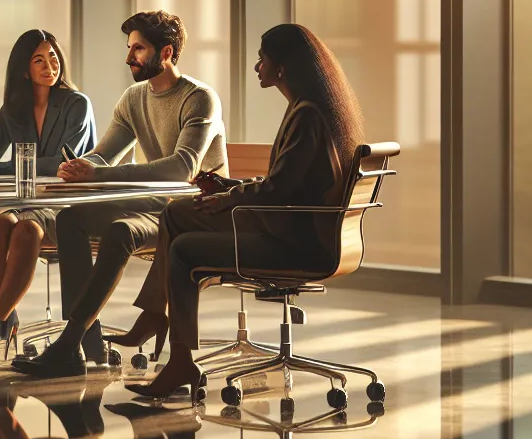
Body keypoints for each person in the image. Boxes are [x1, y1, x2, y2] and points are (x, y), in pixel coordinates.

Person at [116, 24, 365, 399]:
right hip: (295, 230)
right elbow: (286, 182)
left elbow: (279, 189)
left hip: (295, 244)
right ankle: (157, 314)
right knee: (177, 213)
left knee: (183, 249)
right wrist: (227, 188)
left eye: (262, 58)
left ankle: (179, 356)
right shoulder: (309, 108)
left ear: (281, 67)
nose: (257, 66)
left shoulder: (307, 116)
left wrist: (230, 198)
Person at [14, 11, 229, 379]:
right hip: (153, 203)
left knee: (120, 232)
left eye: (139, 49)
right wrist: (80, 165)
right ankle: (86, 341)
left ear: (166, 52)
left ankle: (68, 344)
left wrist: (100, 173)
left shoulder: (200, 99)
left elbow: (181, 167)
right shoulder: (133, 98)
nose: (129, 57)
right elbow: (104, 153)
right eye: (129, 48)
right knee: (70, 218)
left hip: (193, 211)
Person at [0, 30, 96, 366]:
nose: (49, 65)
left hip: (67, 206)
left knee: (25, 229)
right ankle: (2, 321)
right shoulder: (14, 108)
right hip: (27, 201)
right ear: (25, 70)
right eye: (39, 60)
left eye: (53, 57)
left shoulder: (76, 105)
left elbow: (63, 164)